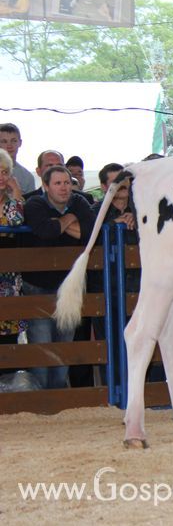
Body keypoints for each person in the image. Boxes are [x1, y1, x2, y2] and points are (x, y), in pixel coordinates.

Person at [22, 165, 95, 388]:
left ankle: (60, 397)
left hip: (69, 285)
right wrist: (71, 219)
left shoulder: (79, 202)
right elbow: (46, 231)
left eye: (67, 183)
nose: (64, 188)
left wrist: (60, 223)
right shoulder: (35, 203)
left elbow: (88, 232)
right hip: (38, 284)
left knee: (65, 344)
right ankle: (41, 399)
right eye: (58, 183)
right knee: (42, 343)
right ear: (45, 186)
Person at [0, 148, 26, 346]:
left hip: (8, 280)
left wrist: (17, 192)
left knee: (9, 343)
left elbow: (16, 221)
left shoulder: (11, 203)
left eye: (5, 172)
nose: (2, 177)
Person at [0, 123, 35, 194]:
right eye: (4, 141)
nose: (9, 145)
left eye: (13, 141)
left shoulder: (27, 177)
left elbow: (29, 204)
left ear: (20, 143)